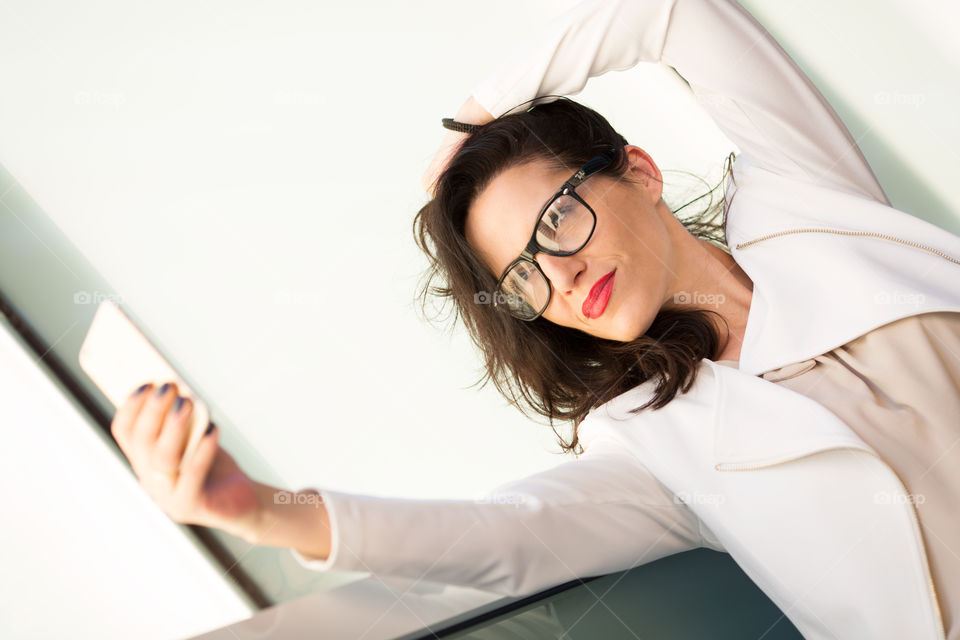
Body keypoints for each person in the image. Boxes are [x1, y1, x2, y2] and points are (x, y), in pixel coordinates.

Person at [108, 0, 960, 638]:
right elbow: (501, 538)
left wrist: (483, 109)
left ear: (639, 169)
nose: (560, 272)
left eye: (556, 218)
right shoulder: (657, 448)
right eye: (523, 272)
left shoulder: (805, 201)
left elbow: (671, 11)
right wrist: (258, 508)